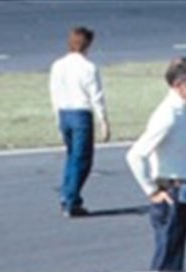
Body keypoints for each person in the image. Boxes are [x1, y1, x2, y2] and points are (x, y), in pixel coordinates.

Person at [126, 57, 186, 272]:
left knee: (174, 255)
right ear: (180, 85)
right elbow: (135, 155)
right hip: (172, 190)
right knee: (166, 258)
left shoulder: (181, 112)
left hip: (183, 190)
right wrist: (152, 191)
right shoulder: (168, 115)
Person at [49, 26, 111, 218]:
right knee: (82, 159)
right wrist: (104, 121)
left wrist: (57, 117)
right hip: (81, 114)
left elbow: (54, 93)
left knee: (71, 156)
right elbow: (96, 96)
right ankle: (70, 198)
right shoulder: (88, 67)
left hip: (64, 113)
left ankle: (68, 195)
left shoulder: (58, 65)